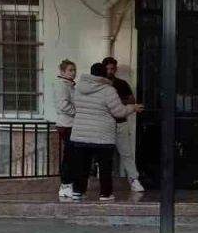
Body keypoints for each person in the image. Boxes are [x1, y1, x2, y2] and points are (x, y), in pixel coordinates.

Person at [70, 62, 142, 202]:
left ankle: (78, 191)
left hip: (81, 133)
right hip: (102, 135)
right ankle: (105, 194)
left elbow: (76, 107)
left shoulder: (79, 89)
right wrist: (132, 108)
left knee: (81, 166)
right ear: (104, 74)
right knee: (105, 167)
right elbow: (118, 112)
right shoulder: (108, 90)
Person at [102, 56, 145, 193]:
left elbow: (131, 100)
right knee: (103, 155)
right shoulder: (100, 84)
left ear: (116, 69)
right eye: (107, 69)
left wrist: (117, 101)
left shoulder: (121, 84)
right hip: (104, 124)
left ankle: (133, 179)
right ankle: (103, 182)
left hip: (120, 122)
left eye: (112, 68)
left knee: (126, 153)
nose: (110, 71)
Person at [54, 59, 77, 200]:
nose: (73, 73)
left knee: (71, 155)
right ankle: (65, 185)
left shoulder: (69, 85)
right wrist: (78, 113)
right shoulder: (62, 85)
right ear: (62, 72)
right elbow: (63, 106)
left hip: (70, 124)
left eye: (74, 70)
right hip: (67, 125)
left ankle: (68, 184)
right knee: (69, 156)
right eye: (70, 70)